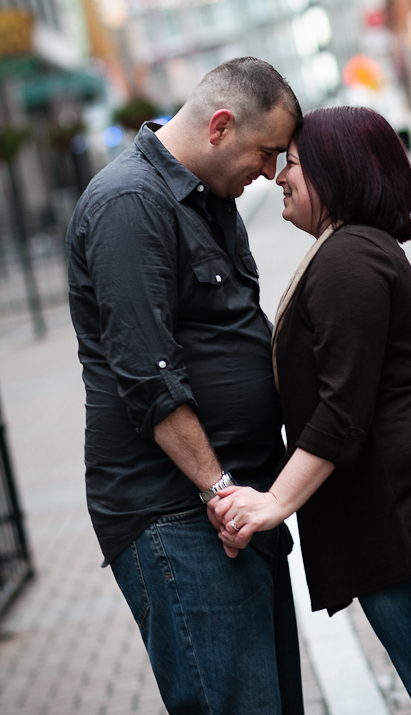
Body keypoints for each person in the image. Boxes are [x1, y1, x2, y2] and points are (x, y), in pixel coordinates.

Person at [212, 105, 411, 715]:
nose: (278, 177)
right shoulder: (349, 251)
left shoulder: (350, 259)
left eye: (292, 164)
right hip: (405, 527)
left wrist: (274, 502)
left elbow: (341, 410)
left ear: (336, 171)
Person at [66, 57, 305, 715]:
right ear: (221, 126)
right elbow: (148, 376)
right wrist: (219, 490)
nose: (268, 172)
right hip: (181, 515)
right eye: (265, 153)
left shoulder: (209, 198)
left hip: (230, 508)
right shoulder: (128, 203)